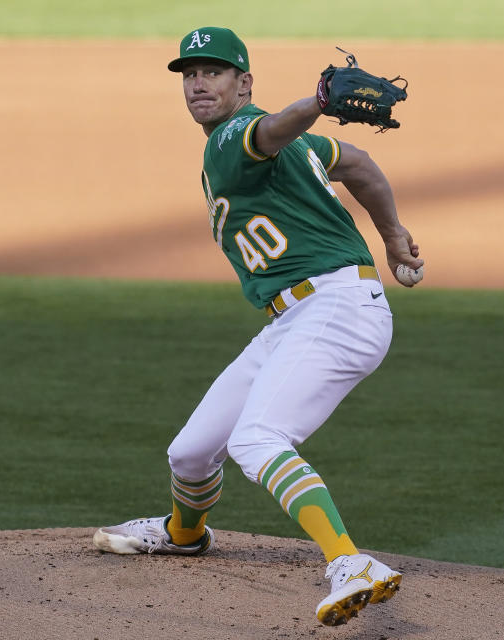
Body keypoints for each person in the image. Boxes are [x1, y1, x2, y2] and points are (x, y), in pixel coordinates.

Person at [94, 26, 424, 627]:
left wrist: (317, 104)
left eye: (214, 72)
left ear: (243, 84)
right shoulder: (292, 149)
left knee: (256, 439)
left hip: (337, 309)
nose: (199, 83)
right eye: (190, 73)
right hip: (295, 317)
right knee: (191, 453)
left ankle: (350, 562)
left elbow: (269, 131)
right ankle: (184, 533)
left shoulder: (233, 136)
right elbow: (359, 162)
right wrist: (392, 234)